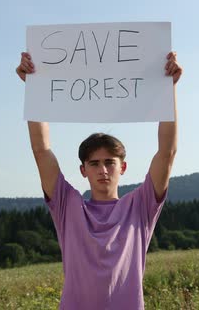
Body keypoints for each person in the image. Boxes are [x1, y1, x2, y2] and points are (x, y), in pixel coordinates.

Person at [16, 51, 182, 309]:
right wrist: (34, 89)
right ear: (83, 170)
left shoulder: (140, 206)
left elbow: (167, 152)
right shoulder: (67, 205)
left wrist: (167, 88)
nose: (103, 170)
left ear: (123, 167)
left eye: (109, 163)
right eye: (94, 163)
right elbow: (42, 150)